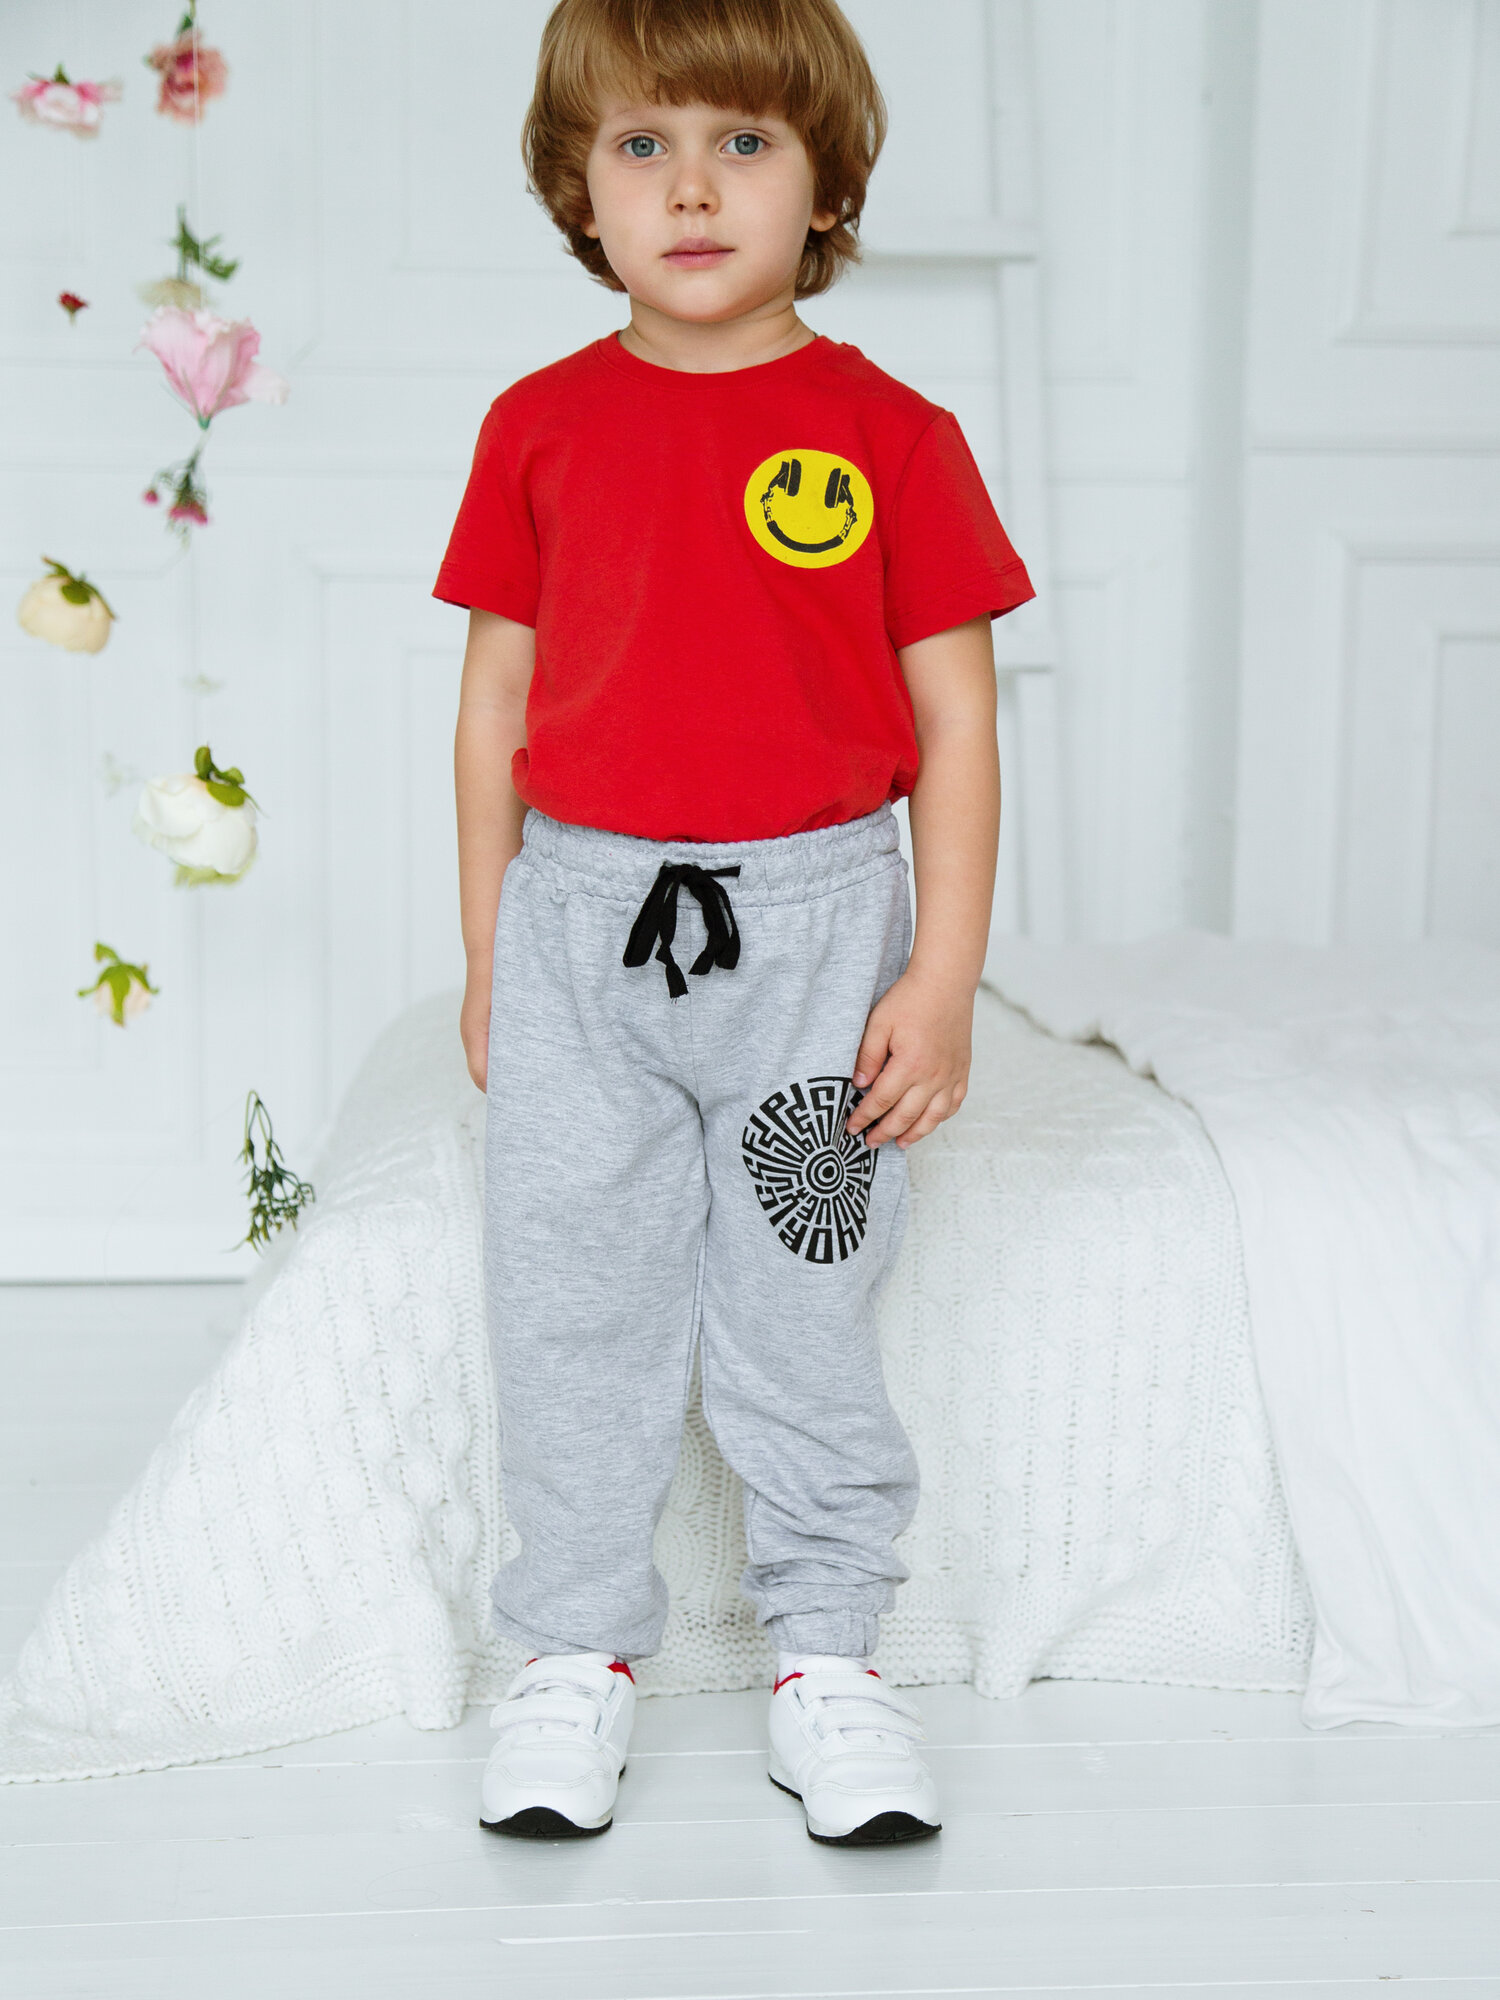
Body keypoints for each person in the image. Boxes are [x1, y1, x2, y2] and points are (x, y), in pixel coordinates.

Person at [433, 0, 1034, 1847]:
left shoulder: (892, 436)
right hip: (581, 927)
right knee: (573, 1299)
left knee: (803, 1299)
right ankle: (572, 1653)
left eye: (743, 144)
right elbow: (493, 703)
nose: (691, 189)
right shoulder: (537, 427)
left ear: (827, 184)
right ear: (578, 189)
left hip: (817, 932)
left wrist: (942, 973)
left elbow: (956, 726)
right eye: (643, 146)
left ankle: (827, 1657)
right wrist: (491, 952)